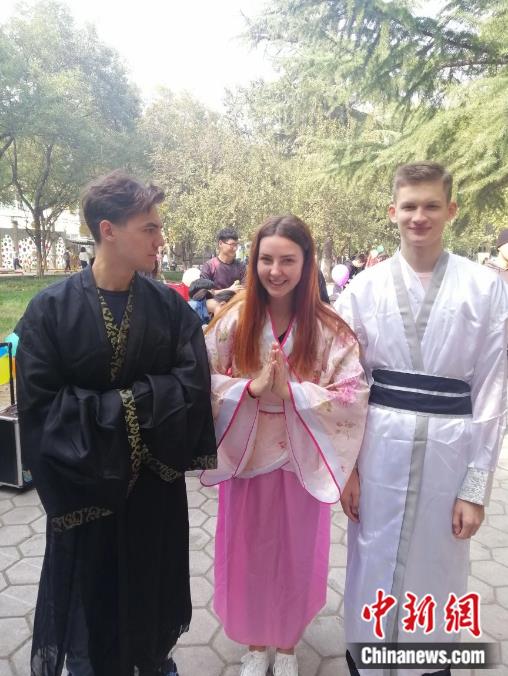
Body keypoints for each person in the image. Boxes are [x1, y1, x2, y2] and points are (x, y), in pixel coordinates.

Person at [15, 170, 217, 676]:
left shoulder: (169, 309)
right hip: (87, 487)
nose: (159, 239)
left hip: (152, 490)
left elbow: (192, 386)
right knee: (93, 599)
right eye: (149, 228)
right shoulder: (49, 312)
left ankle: (151, 661)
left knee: (151, 589)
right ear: (108, 230)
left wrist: (111, 407)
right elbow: (41, 409)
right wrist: (142, 404)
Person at [335, 162, 508, 675]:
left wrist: (475, 489)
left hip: (449, 455)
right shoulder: (363, 289)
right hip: (378, 451)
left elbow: (493, 390)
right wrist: (348, 469)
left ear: (450, 210)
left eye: (432, 205)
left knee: (438, 564)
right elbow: (343, 386)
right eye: (409, 206)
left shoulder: (485, 288)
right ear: (393, 212)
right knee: (372, 559)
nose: (419, 216)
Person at [201, 214, 369, 676]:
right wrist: (249, 390)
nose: (275, 271)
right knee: (248, 556)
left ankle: (289, 645)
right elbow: (199, 380)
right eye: (266, 259)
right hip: (246, 456)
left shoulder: (330, 328)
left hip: (303, 460)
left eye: (288, 260)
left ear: (306, 263)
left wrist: (294, 394)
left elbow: (351, 394)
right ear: (253, 262)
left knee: (296, 556)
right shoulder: (233, 319)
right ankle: (256, 645)